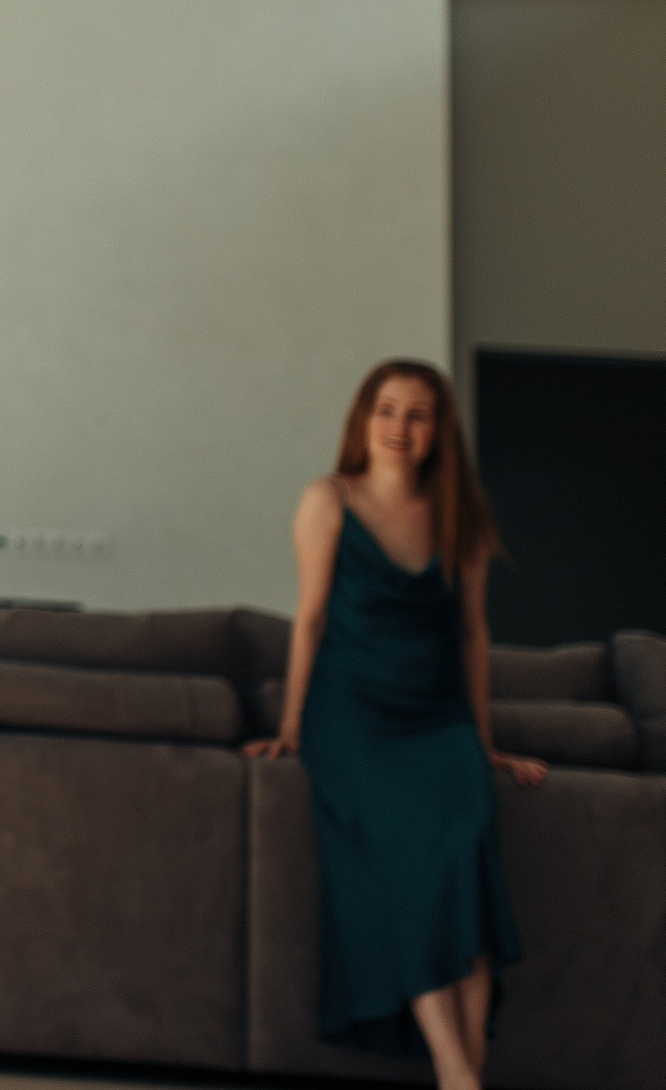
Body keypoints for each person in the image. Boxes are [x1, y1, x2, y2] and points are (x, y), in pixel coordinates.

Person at [244, 359, 548, 1089]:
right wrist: (292, 722)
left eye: (417, 414)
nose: (399, 427)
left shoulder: (463, 511)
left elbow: (472, 634)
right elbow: (311, 617)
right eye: (385, 410)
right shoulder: (329, 500)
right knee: (414, 866)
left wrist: (482, 743)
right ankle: (457, 1072)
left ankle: (467, 1061)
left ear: (440, 430)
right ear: (363, 419)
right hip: (351, 716)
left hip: (438, 717)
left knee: (467, 840)